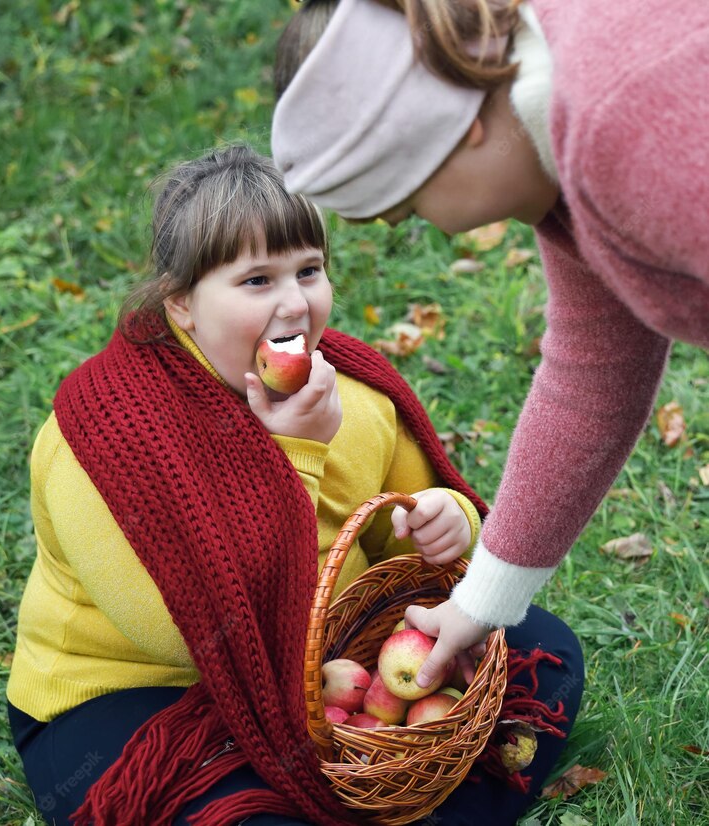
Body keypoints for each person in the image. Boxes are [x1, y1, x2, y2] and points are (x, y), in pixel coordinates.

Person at [6, 145, 582, 825]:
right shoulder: (103, 440)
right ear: (183, 304)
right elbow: (199, 634)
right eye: (256, 280)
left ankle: (393, 799)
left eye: (308, 269)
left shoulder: (356, 398)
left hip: (329, 662)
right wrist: (294, 456)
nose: (295, 301)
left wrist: (446, 520)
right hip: (153, 696)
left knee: (544, 653)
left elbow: (416, 562)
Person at [271, 0, 709, 689]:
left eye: (411, 207)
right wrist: (482, 600)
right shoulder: (556, 153)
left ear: (458, 129)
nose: (432, 230)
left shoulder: (621, 119)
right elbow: (592, 375)